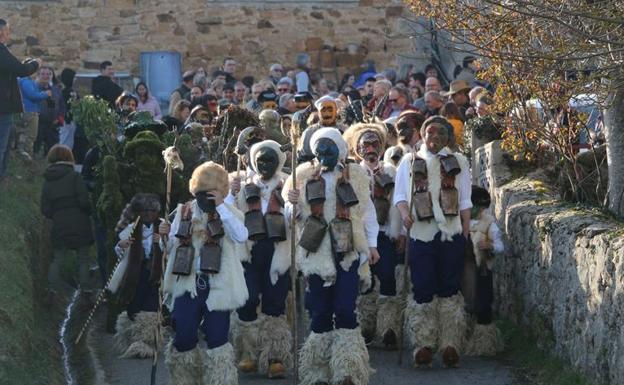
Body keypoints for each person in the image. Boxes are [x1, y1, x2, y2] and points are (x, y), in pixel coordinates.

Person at [284, 127, 379, 385]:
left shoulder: (357, 175)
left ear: (340, 149)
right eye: (319, 150)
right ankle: (318, 373)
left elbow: (368, 213)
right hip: (316, 255)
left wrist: (372, 245)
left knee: (345, 308)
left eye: (328, 148)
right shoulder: (301, 176)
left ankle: (347, 369)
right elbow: (291, 219)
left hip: (347, 252)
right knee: (320, 311)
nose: (323, 153)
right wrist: (291, 202)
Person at [159, 161, 248, 385]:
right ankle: (186, 380)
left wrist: (220, 208)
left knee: (218, 337)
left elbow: (241, 236)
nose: (205, 197)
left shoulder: (230, 213)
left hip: (218, 286)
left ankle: (219, 380)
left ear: (221, 192)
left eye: (211, 192)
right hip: (188, 284)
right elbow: (170, 247)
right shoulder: (184, 211)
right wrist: (164, 236)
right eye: (201, 192)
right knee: (183, 334)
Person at [393, 116, 471, 369]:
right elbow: (401, 196)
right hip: (421, 234)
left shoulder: (459, 162)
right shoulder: (409, 161)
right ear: (422, 135)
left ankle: (450, 344)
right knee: (423, 287)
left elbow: (465, 200)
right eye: (430, 133)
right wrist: (405, 216)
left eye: (440, 134)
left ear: (448, 137)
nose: (434, 138)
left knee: (449, 287)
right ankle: (423, 345)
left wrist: (465, 232)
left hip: (451, 233)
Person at [228, 140, 293, 379]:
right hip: (250, 252)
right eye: (260, 160)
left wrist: (293, 203)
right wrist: (231, 194)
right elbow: (229, 215)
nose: (265, 164)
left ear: (279, 162)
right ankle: (249, 353)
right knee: (247, 300)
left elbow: (295, 218)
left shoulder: (289, 184)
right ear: (253, 162)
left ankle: (275, 356)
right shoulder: (242, 184)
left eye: (270, 160)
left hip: (279, 252)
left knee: (274, 304)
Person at [343, 123, 403, 349]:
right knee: (364, 282)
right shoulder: (350, 173)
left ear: (381, 146)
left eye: (374, 144)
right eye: (364, 144)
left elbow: (399, 201)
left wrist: (401, 231)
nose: (369, 148)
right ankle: (366, 326)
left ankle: (388, 328)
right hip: (359, 237)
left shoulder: (390, 172)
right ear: (356, 148)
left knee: (387, 278)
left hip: (385, 233)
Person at [108, 193, 164, 359]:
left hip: (155, 274)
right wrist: (121, 245)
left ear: (156, 212)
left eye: (151, 211)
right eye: (144, 211)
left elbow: (173, 247)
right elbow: (120, 251)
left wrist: (161, 240)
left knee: (151, 308)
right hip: (136, 274)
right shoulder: (132, 228)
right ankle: (133, 339)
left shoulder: (162, 226)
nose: (147, 214)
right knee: (134, 306)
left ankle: (146, 343)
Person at [40, 144, 94, 295]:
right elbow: (84, 201)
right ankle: (86, 292)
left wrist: (57, 214)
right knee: (83, 259)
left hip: (59, 223)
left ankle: (51, 291)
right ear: (69, 157)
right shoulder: (75, 176)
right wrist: (89, 211)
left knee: (57, 258)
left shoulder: (48, 180)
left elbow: (45, 209)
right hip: (79, 221)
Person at [464, 186, 504, 356]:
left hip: (483, 269)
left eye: (480, 207)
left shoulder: (489, 223)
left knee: (484, 302)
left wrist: (490, 246)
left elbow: (501, 246)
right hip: (464, 270)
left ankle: (483, 345)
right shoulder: (460, 223)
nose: (477, 210)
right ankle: (463, 338)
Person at [16, 69, 50, 161]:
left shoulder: (27, 81)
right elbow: (32, 95)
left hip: (30, 110)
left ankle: (25, 155)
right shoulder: (26, 81)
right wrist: (45, 94)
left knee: (26, 134)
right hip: (29, 111)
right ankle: (26, 157)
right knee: (30, 135)